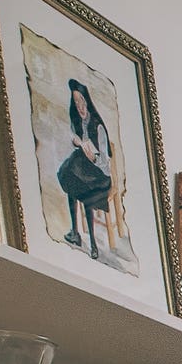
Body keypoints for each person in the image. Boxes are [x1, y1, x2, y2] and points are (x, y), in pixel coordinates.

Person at [55, 78, 118, 256]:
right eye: (76, 103)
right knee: (68, 173)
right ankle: (75, 231)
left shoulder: (97, 127)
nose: (80, 107)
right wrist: (77, 142)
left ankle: (93, 244)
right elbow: (74, 139)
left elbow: (106, 165)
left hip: (99, 174)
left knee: (84, 188)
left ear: (87, 102)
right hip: (84, 167)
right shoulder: (77, 121)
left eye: (82, 102)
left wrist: (94, 157)